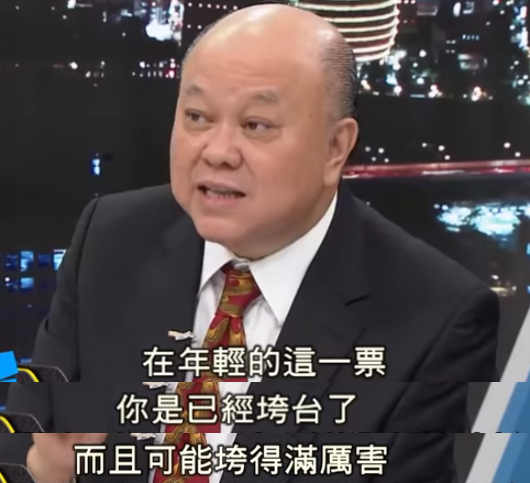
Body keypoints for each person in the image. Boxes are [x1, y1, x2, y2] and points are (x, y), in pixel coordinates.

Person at [0, 3, 498, 483]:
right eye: (197, 117)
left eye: (255, 125)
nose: (217, 152)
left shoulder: (436, 318)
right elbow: (22, 440)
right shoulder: (111, 238)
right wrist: (46, 472)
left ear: (335, 147)